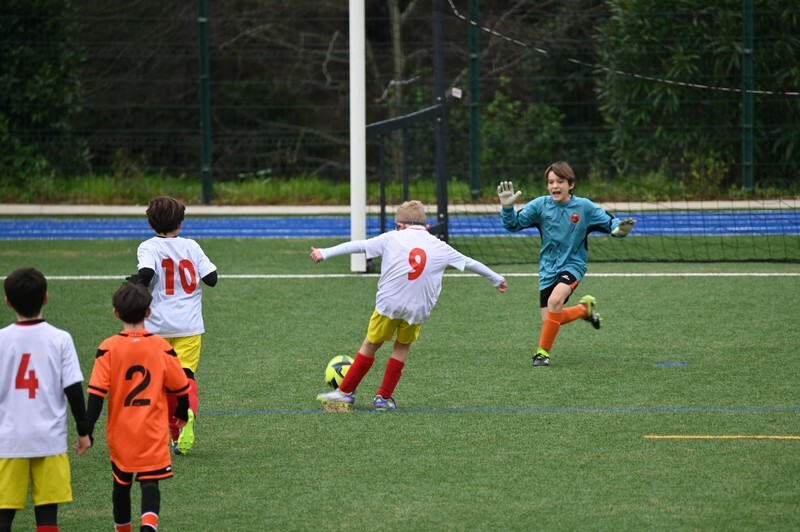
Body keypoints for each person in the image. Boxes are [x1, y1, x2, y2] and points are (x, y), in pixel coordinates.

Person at [313, 200, 508, 411]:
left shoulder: (391, 237)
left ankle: (345, 392)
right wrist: (496, 278)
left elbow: (360, 245)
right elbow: (471, 263)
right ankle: (383, 398)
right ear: (426, 226)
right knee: (401, 347)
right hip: (417, 310)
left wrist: (325, 252)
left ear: (400, 225)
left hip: (389, 305)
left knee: (370, 345)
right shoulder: (440, 246)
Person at [497, 161, 636, 367]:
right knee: (551, 321)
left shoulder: (584, 207)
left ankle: (541, 354)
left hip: (573, 265)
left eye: (560, 181)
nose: (555, 186)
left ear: (570, 184)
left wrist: (620, 229)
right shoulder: (539, 205)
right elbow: (513, 225)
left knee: (555, 302)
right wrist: (507, 208)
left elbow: (611, 223)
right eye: (551, 182)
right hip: (547, 269)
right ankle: (584, 309)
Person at [86, 282, 191, 532]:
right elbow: (181, 387)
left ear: (116, 313)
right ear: (148, 312)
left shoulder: (108, 348)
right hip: (152, 430)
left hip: (120, 432)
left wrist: (86, 430)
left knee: (121, 484)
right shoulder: (162, 347)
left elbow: (96, 395)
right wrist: (181, 412)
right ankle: (148, 527)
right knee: (150, 481)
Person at [0, 267, 92, 532]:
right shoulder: (60, 339)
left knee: (4, 514)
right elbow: (73, 389)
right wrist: (84, 431)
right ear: (46, 298)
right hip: (49, 440)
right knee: (48, 516)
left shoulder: (1, 340)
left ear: (7, 302)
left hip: (8, 441)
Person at [129, 196, 217, 455]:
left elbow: (146, 273)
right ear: (181, 222)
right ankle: (187, 411)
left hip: (156, 327)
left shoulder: (148, 246)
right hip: (188, 326)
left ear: (150, 224)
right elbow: (212, 278)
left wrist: (136, 284)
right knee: (186, 376)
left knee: (161, 384)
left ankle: (174, 437)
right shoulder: (191, 246)